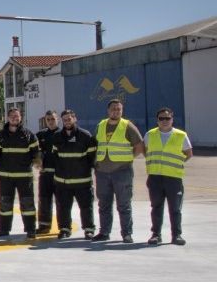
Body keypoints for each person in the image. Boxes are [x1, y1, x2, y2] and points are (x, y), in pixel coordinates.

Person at [92, 99, 145, 243]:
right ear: (108, 111)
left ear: (122, 111)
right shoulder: (101, 125)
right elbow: (95, 145)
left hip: (122, 172)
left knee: (124, 204)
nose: (116, 111)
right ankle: (104, 232)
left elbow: (139, 147)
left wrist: (128, 158)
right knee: (104, 204)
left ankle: (126, 233)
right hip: (102, 172)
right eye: (113, 109)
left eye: (119, 109)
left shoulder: (128, 126)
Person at [144, 107, 192, 246]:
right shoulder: (150, 135)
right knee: (156, 207)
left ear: (172, 119)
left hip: (173, 178)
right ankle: (156, 235)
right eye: (161, 118)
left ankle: (176, 235)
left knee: (175, 208)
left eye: (167, 118)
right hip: (155, 178)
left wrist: (177, 164)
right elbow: (145, 150)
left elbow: (188, 153)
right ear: (157, 120)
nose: (164, 121)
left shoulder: (180, 135)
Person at [0, 108, 39, 239]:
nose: (15, 118)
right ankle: (4, 229)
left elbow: (35, 154)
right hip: (6, 177)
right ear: (7, 118)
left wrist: (31, 165)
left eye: (17, 116)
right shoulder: (1, 135)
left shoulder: (29, 135)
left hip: (24, 177)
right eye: (12, 116)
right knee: (5, 204)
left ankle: (30, 229)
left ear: (21, 118)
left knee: (27, 204)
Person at [51, 109, 97, 240]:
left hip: (82, 181)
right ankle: (65, 229)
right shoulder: (57, 137)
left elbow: (91, 158)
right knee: (63, 207)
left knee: (86, 207)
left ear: (74, 119)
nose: (67, 122)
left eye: (69, 119)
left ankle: (89, 229)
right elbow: (55, 157)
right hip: (63, 181)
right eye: (64, 120)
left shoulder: (86, 136)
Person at [36, 110, 60, 234]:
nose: (50, 121)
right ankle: (44, 226)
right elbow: (35, 152)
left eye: (53, 119)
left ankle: (64, 227)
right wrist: (37, 160)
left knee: (61, 201)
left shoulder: (62, 134)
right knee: (44, 200)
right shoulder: (40, 135)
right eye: (48, 119)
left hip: (60, 174)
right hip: (45, 173)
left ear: (58, 120)